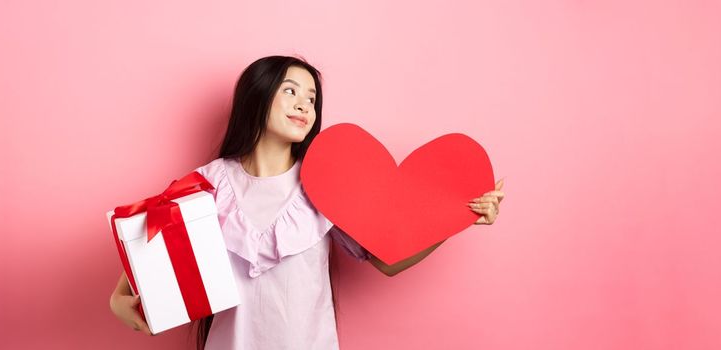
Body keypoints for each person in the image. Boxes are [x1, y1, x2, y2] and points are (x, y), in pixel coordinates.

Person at [109, 55, 506, 349]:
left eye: (312, 97)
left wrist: (458, 216)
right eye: (290, 91)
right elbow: (148, 244)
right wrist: (119, 300)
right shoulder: (208, 183)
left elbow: (387, 262)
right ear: (257, 96)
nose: (304, 105)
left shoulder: (326, 184)